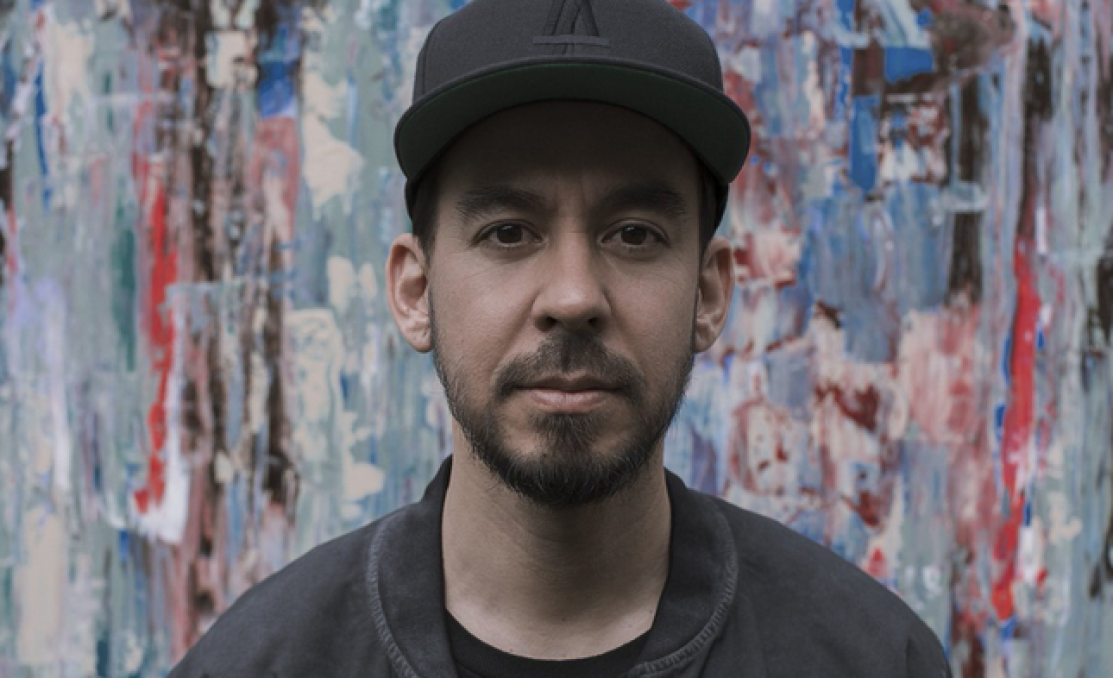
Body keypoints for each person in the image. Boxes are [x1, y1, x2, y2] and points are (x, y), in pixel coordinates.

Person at [170, 0, 952, 675]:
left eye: (634, 234)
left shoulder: (871, 659)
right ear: (414, 292)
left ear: (709, 293)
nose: (574, 296)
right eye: (508, 231)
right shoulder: (260, 664)